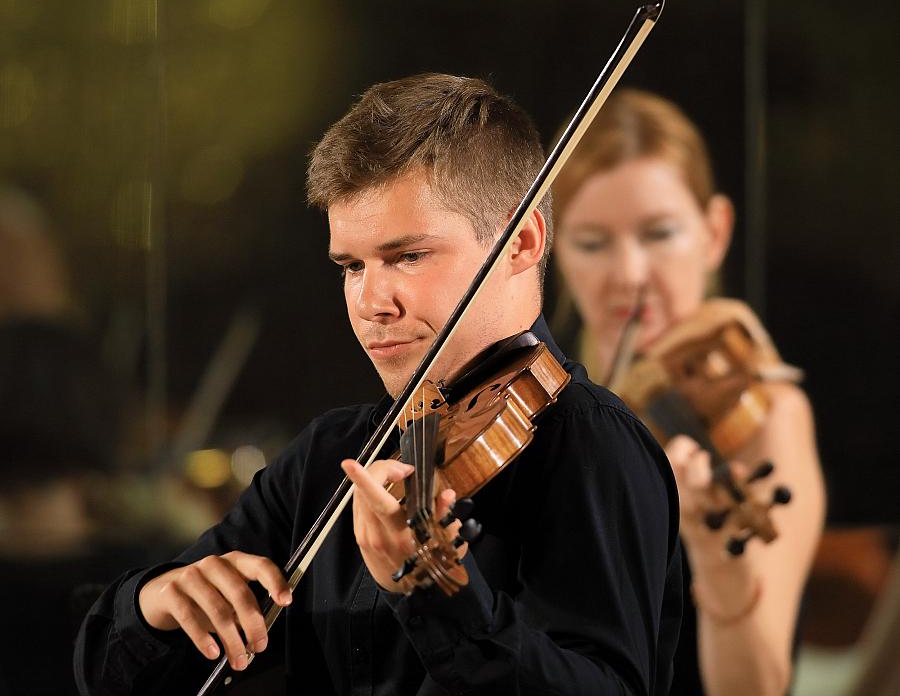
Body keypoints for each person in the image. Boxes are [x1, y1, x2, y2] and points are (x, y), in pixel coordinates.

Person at [75, 74, 682, 695]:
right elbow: (107, 673)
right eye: (351, 266)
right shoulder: (329, 456)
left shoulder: (588, 441)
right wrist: (153, 604)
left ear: (521, 242)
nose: (370, 303)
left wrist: (438, 593)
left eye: (408, 257)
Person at [551, 89, 826, 695]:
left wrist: (717, 566)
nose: (628, 274)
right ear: (551, 249)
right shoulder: (538, 410)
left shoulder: (763, 416)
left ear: (715, 232)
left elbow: (757, 686)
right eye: (592, 242)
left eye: (659, 234)